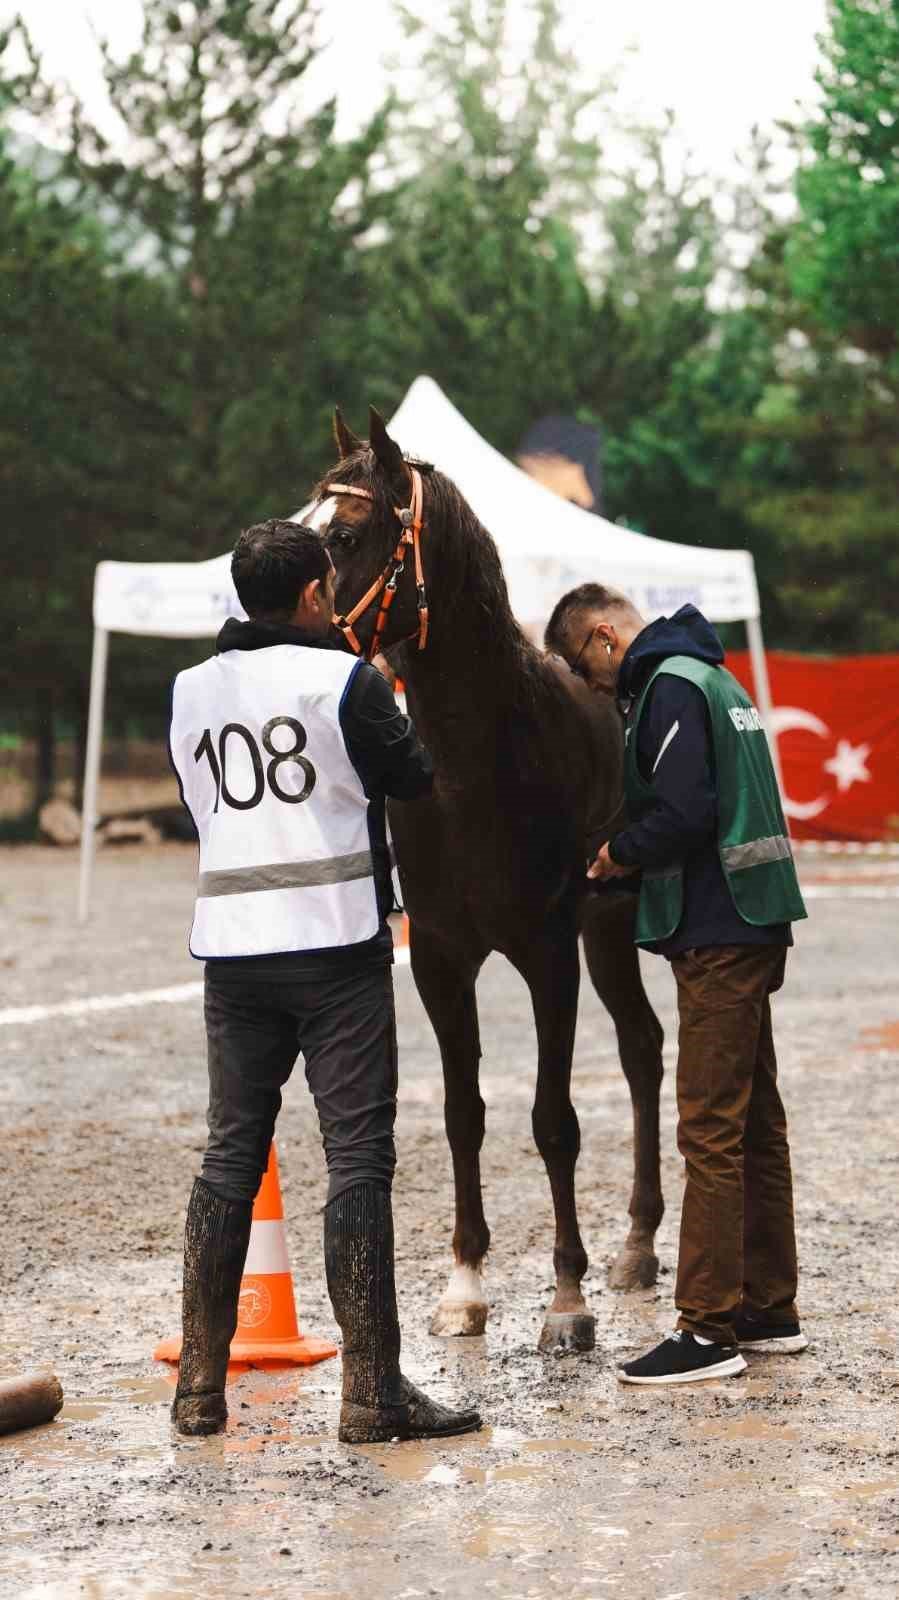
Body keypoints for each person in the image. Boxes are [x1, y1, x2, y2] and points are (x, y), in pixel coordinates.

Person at [168, 519, 481, 1442]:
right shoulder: (343, 679)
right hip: (335, 951)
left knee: (230, 1153)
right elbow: (414, 779)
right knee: (357, 1157)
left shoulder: (190, 688)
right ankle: (372, 1394)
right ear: (314, 595)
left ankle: (197, 1389)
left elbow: (201, 803)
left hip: (231, 949)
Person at [545, 584, 808, 1386]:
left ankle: (705, 1330)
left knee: (708, 1128)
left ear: (601, 638)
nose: (601, 694)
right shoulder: (716, 678)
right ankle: (768, 1307)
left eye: (590, 679)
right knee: (755, 1121)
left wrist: (616, 853)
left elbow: (686, 811)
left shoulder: (665, 687)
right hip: (754, 917)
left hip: (718, 929)